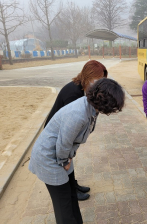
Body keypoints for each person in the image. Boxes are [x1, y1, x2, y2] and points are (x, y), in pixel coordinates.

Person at [29, 78, 125, 224]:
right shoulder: (78, 114)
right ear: (105, 101)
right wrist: (65, 161)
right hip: (49, 157)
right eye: (114, 107)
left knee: (71, 196)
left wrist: (69, 157)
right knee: (64, 206)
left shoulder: (92, 108)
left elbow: (73, 140)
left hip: (63, 154)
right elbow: (63, 143)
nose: (113, 111)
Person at [44, 60, 107, 201]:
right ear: (88, 77)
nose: (99, 84)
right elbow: (69, 128)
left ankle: (74, 185)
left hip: (63, 132)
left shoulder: (82, 89)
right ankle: (72, 191)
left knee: (69, 160)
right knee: (64, 162)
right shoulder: (74, 94)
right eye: (97, 80)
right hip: (55, 135)